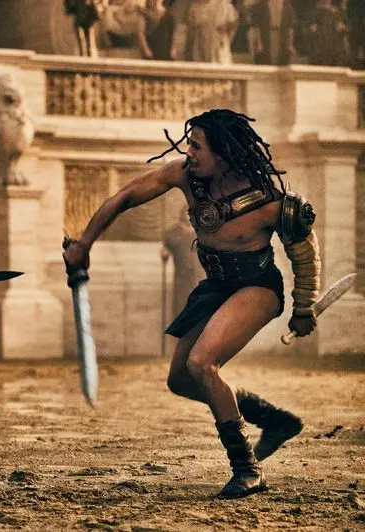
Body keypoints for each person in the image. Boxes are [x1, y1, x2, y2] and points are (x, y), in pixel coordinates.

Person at [63, 108, 320, 499]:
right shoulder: (186, 175)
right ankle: (272, 419)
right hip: (215, 287)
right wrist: (85, 244)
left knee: (202, 363)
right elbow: (125, 196)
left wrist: (303, 307)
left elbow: (304, 253)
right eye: (190, 145)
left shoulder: (269, 202)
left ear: (224, 156)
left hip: (257, 288)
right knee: (181, 379)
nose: (189, 153)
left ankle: (248, 469)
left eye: (198, 147)